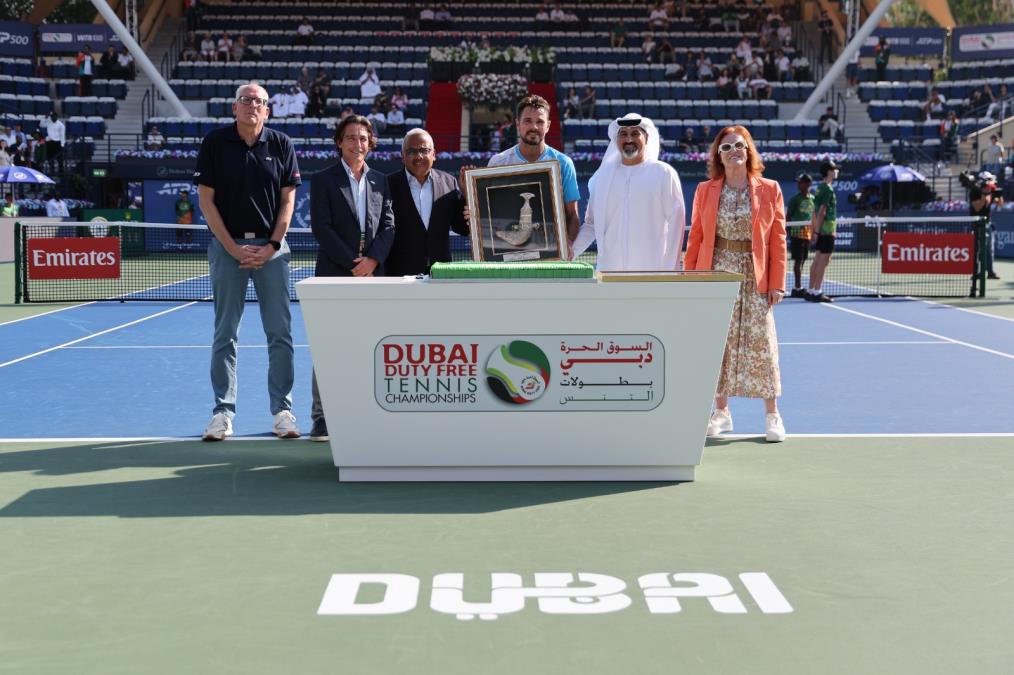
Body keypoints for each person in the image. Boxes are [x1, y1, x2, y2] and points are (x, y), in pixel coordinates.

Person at [195, 82, 302, 441]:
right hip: (228, 250)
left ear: (267, 110)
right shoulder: (214, 143)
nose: (252, 105)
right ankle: (222, 413)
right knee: (225, 333)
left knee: (280, 334)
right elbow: (206, 201)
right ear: (234, 107)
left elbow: (288, 202)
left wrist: (271, 246)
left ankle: (283, 411)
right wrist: (232, 247)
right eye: (246, 100)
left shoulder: (282, 144)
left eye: (259, 101)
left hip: (273, 251)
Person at [683, 125, 787, 442]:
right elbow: (696, 236)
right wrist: (691, 278)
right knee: (719, 342)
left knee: (763, 342)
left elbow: (778, 239)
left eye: (739, 146)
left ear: (748, 150)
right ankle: (721, 412)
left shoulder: (770, 189)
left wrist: (777, 282)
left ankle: (772, 415)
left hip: (755, 275)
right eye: (726, 148)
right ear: (718, 155)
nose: (733, 152)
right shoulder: (705, 190)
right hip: (718, 270)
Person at [308, 115, 395, 441]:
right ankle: (321, 418)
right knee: (328, 347)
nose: (357, 144)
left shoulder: (380, 180)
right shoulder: (323, 179)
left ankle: (364, 412)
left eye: (363, 138)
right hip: (335, 274)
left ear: (370, 143)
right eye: (350, 138)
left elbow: (388, 226)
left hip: (373, 275)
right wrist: (353, 264)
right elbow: (322, 228)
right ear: (339, 142)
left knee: (370, 346)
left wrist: (372, 261)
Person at [571, 114, 686, 271]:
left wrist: (669, 270)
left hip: (652, 272)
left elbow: (676, 224)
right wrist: (569, 253)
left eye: (635, 133)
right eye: (623, 134)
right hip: (610, 273)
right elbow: (591, 225)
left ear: (647, 138)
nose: (629, 139)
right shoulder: (602, 178)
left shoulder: (663, 173)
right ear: (616, 139)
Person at [486, 95, 581, 242]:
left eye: (540, 122)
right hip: (508, 249)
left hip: (551, 253)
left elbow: (573, 215)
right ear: (517, 124)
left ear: (548, 125)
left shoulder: (564, 164)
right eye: (528, 121)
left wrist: (567, 244)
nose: (534, 127)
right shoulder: (498, 163)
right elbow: (488, 214)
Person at [386, 128, 469, 277]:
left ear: (434, 154)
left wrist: (467, 196)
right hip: (399, 276)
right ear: (403, 156)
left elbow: (462, 228)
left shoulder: (449, 182)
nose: (419, 156)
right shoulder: (387, 185)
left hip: (440, 274)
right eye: (411, 151)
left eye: (424, 150)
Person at [806, 160, 839, 303]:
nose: (837, 171)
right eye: (834, 169)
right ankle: (817, 291)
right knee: (823, 261)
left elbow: (814, 212)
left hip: (821, 229)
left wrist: (815, 230)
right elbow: (821, 212)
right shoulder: (828, 190)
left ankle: (810, 290)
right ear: (829, 172)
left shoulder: (819, 188)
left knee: (818, 259)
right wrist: (817, 232)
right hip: (826, 229)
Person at [784, 172, 814, 298]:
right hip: (797, 234)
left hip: (808, 235)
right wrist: (786, 232)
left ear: (807, 184)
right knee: (798, 260)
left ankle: (798, 287)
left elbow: (813, 216)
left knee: (803, 261)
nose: (798, 185)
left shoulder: (813, 199)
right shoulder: (795, 199)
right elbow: (788, 217)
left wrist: (814, 233)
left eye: (800, 182)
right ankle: (797, 287)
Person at [970, 171, 1002, 280]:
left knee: (990, 249)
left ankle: (990, 272)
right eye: (988, 180)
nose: (990, 183)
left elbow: (1000, 204)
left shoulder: (991, 190)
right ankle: (976, 273)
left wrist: (999, 195)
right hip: (977, 224)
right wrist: (984, 196)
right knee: (978, 250)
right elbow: (977, 208)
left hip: (988, 223)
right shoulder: (974, 191)